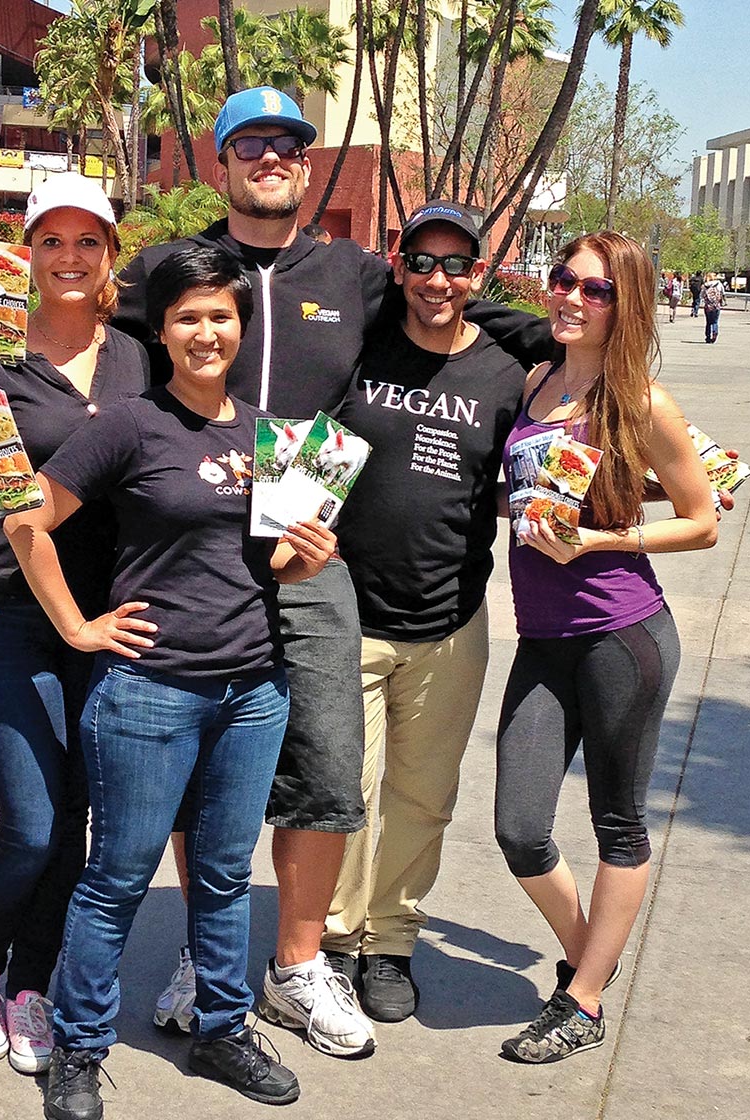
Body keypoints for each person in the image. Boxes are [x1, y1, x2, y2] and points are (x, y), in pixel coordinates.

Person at [0, 85, 548, 1060]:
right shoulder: (162, 272)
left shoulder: (354, 271)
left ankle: (298, 962)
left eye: (288, 147)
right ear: (220, 163)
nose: (271, 158)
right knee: (186, 765)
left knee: (325, 761)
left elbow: (467, 308)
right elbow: (65, 306)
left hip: (302, 509)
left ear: (307, 168)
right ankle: (195, 951)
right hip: (181, 537)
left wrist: (577, 344)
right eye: (251, 144)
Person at [5, 246, 338, 1117]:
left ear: (241, 327)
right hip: (150, 690)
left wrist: (306, 560)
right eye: (187, 316)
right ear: (162, 330)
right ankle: (79, 1047)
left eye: (220, 316)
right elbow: (27, 520)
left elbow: (271, 564)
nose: (205, 331)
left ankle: (223, 1027)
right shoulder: (130, 424)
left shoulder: (269, 433)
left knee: (224, 875)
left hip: (253, 690)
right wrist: (78, 627)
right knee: (117, 875)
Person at [0, 174, 151, 1076]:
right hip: (1, 609)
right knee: (30, 821)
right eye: (50, 240)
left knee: (78, 817)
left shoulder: (137, 355)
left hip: (107, 613)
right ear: (25, 252)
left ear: (109, 252)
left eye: (86, 240)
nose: (68, 256)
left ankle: (32, 982)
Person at [317, 200, 545, 1023]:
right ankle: (333, 940)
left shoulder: (504, 373)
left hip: (450, 623)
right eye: (423, 262)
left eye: (458, 264)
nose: (439, 279)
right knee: (341, 789)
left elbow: (578, 411)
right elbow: (311, 452)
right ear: (397, 264)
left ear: (480, 273)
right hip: (344, 613)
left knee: (422, 795)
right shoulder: (359, 349)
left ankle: (390, 941)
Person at [495, 231, 718, 1064]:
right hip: (543, 639)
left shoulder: (644, 403)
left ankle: (582, 1000)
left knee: (617, 824)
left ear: (625, 308)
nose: (569, 298)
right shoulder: (535, 381)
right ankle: (596, 952)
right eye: (562, 282)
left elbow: (701, 522)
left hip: (623, 636)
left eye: (594, 291)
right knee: (519, 828)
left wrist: (602, 543)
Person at [701, 271, 724, 343]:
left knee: (708, 322)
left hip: (708, 306)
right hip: (716, 306)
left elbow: (702, 295)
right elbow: (723, 293)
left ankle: (708, 337)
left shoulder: (705, 285)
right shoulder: (719, 284)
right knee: (715, 321)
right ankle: (715, 332)